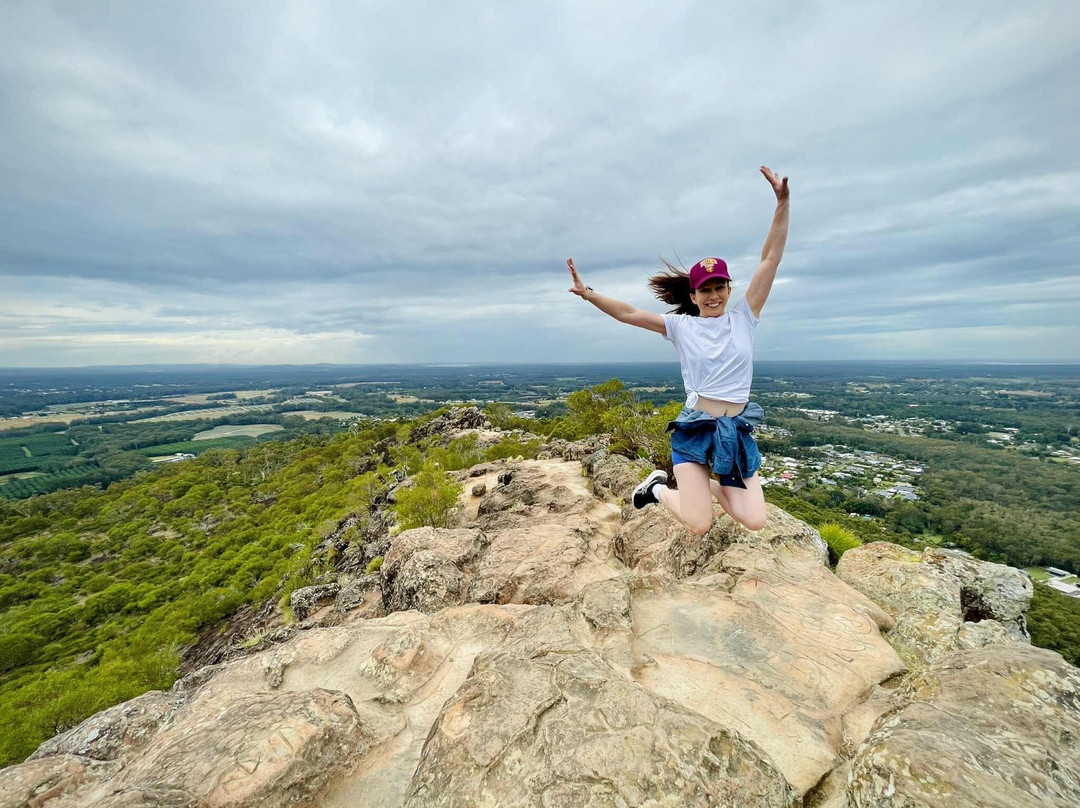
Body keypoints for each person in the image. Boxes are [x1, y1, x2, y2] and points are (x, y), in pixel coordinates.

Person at [566, 165, 789, 535]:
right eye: (706, 289)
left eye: (720, 287)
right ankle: (656, 489)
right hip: (695, 426)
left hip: (734, 429)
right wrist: (588, 293)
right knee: (699, 524)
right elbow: (630, 313)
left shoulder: (745, 317)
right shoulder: (681, 326)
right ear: (693, 295)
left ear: (729, 291)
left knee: (755, 520)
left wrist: (782, 203)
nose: (713, 295)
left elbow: (770, 259)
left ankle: (696, 490)